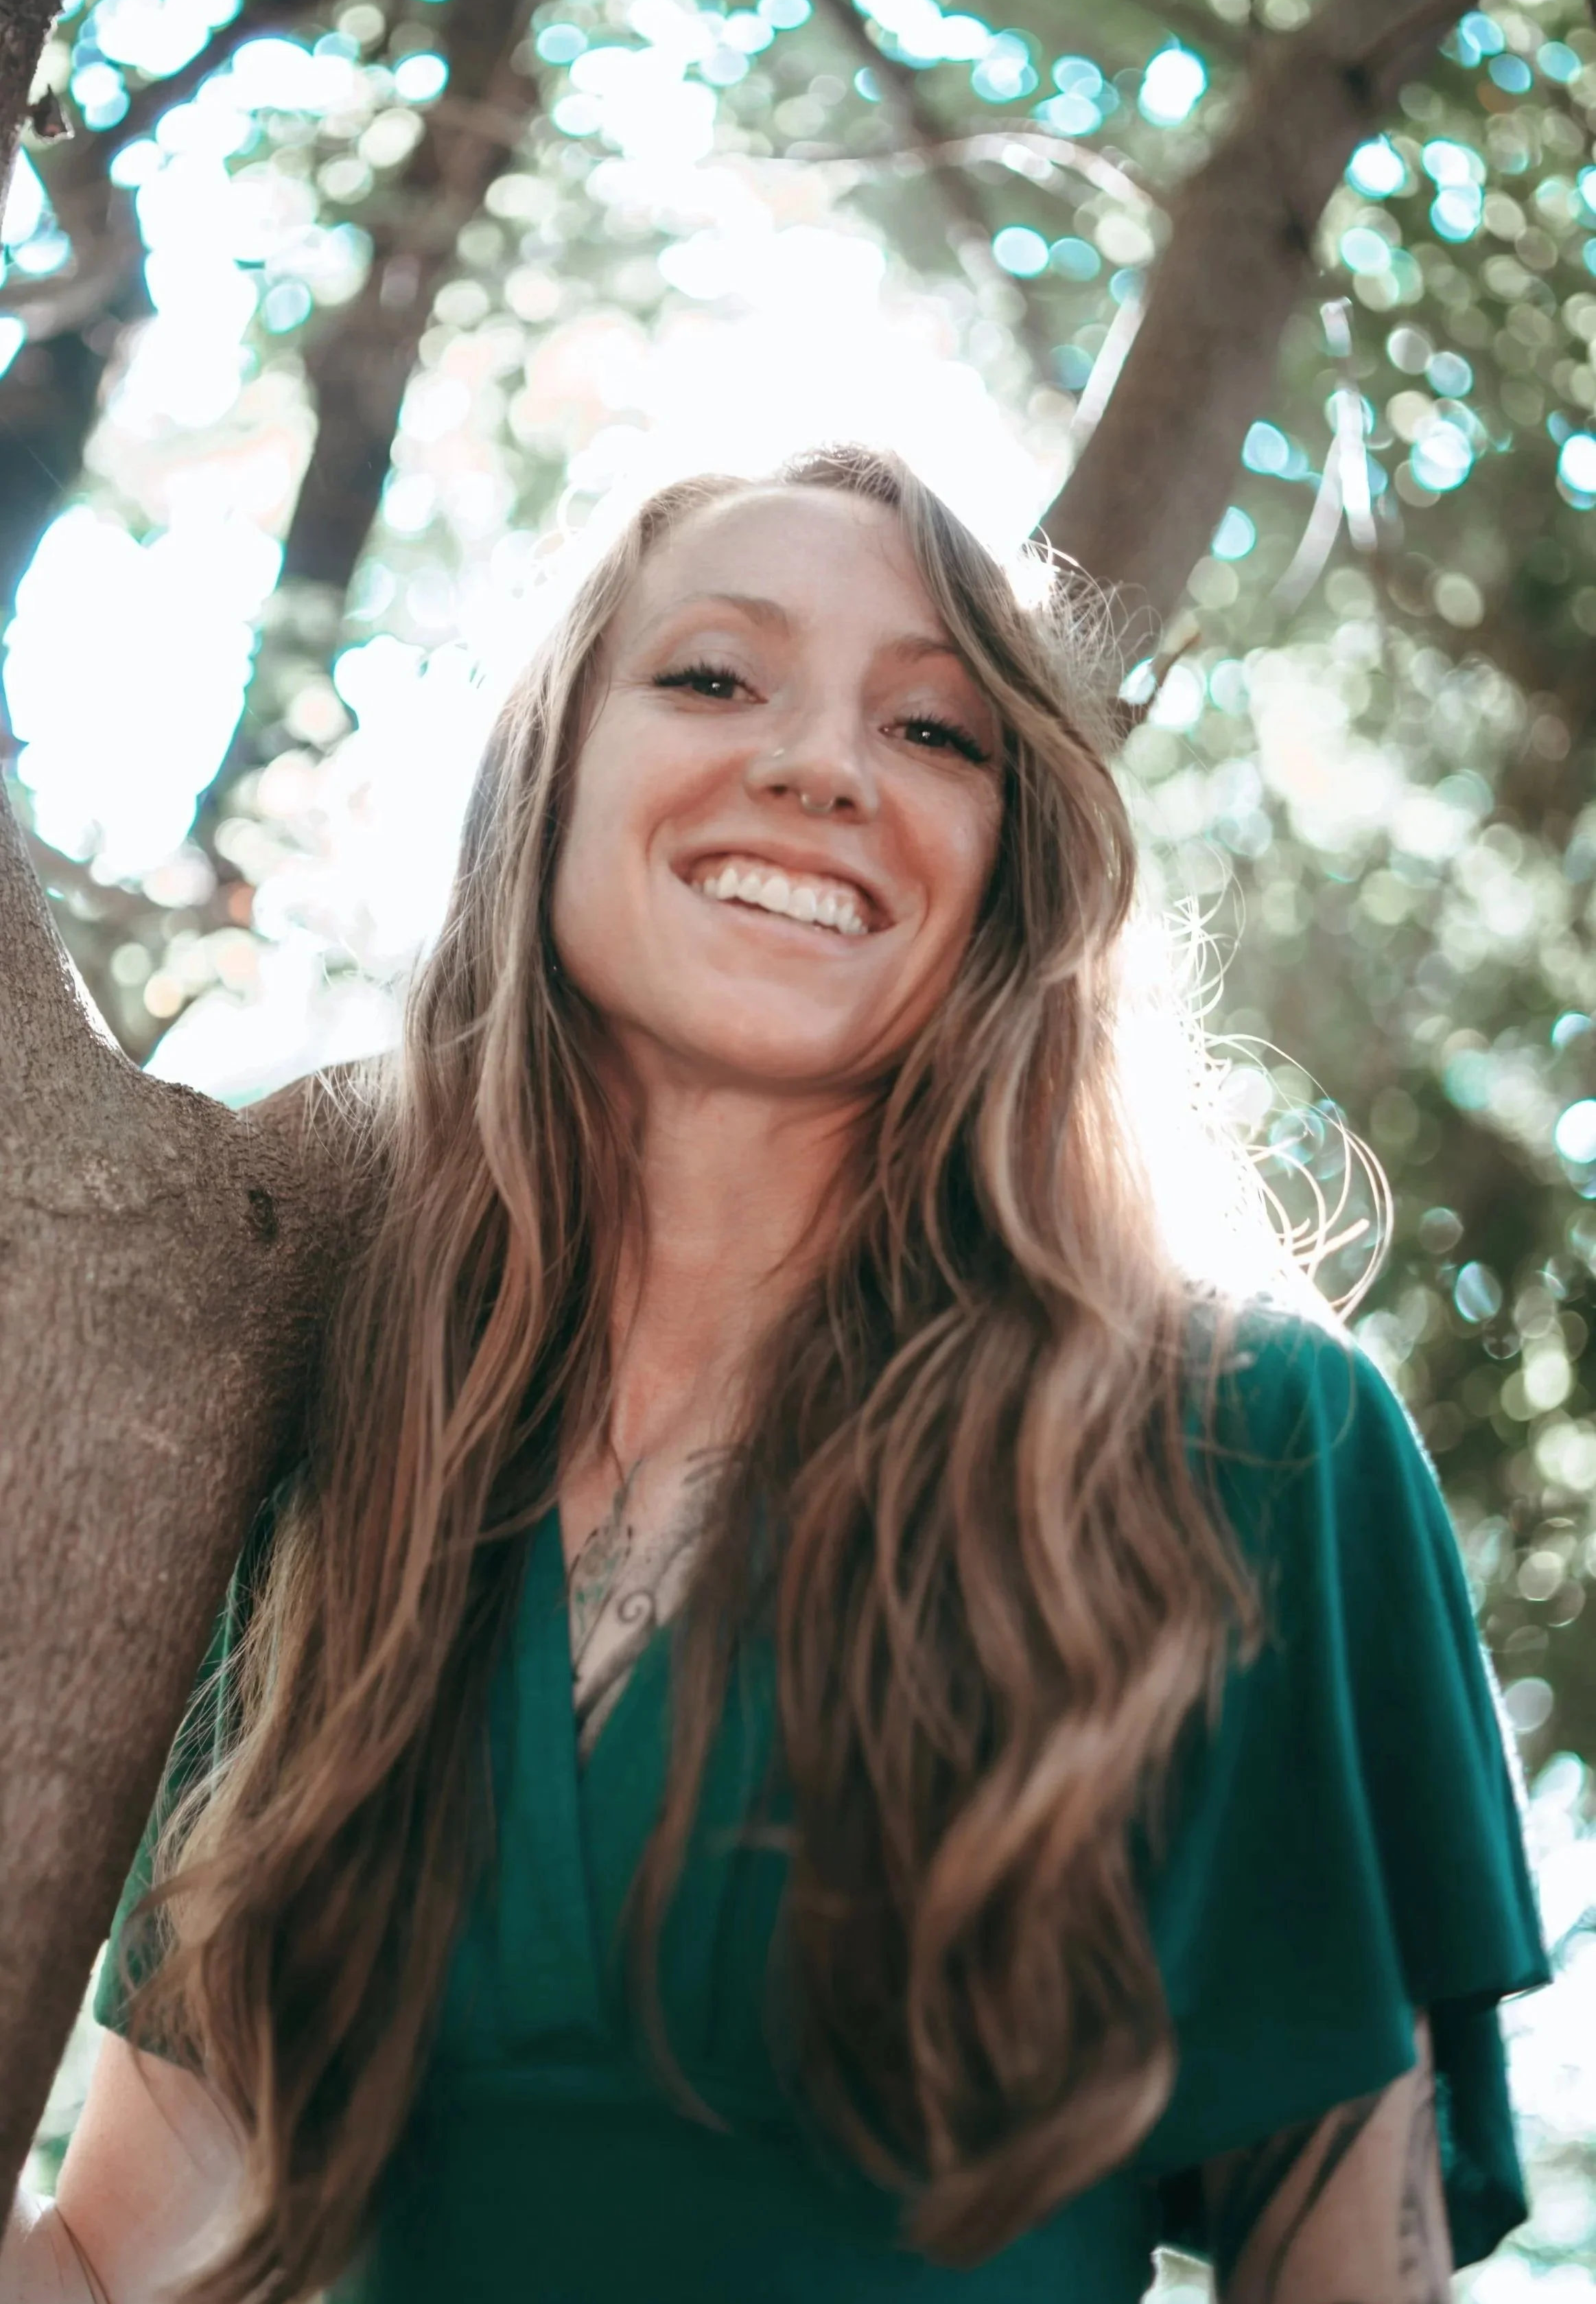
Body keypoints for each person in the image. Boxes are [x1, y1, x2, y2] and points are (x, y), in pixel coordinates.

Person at [0, 447, 1548, 2304]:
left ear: (1011, 868)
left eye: (936, 732)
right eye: (715, 678)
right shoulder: (353, 1455)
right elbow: (123, 2266)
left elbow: (1345, 2283)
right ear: (546, 787)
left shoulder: (1241, 1444)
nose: (820, 765)